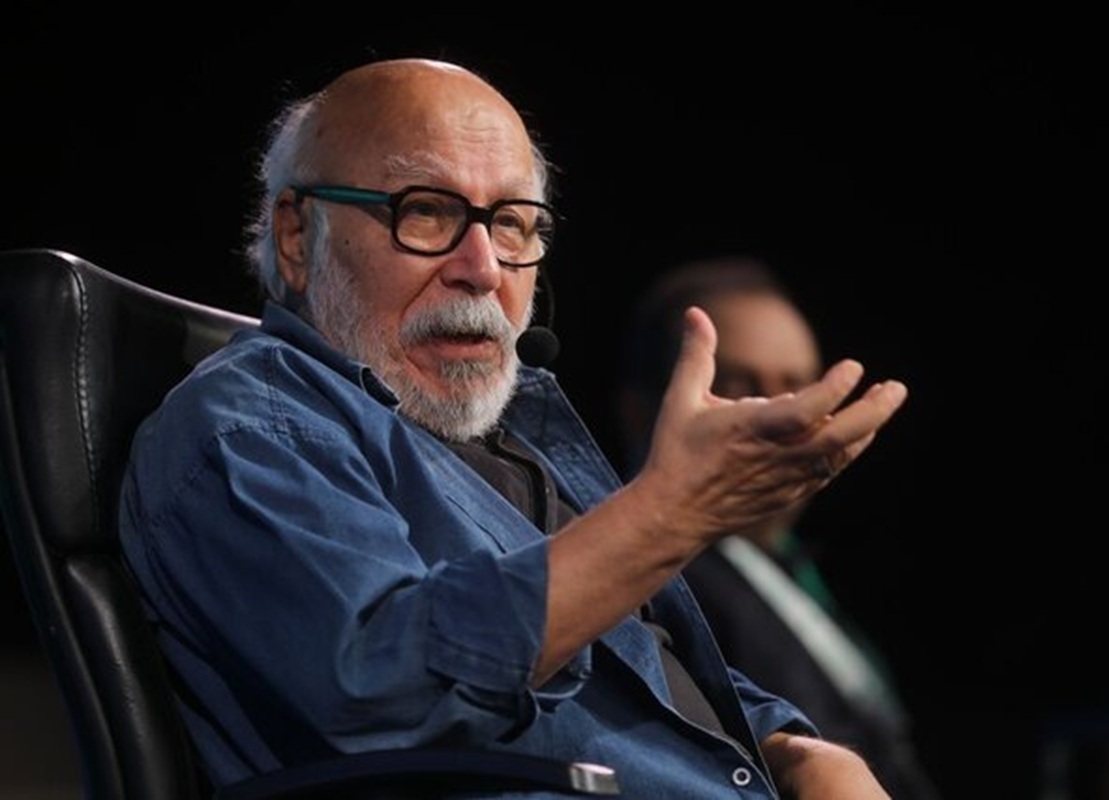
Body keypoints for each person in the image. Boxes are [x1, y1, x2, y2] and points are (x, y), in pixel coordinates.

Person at [117, 57, 909, 798]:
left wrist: (794, 749)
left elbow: (639, 671)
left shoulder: (502, 442)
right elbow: (380, 691)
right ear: (298, 236)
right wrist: (670, 513)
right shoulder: (252, 429)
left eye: (512, 224)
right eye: (426, 212)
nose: (483, 268)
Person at [616, 256, 942, 800]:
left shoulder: (790, 569)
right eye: (741, 384)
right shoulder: (643, 580)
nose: (783, 413)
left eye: (798, 386)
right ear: (640, 410)